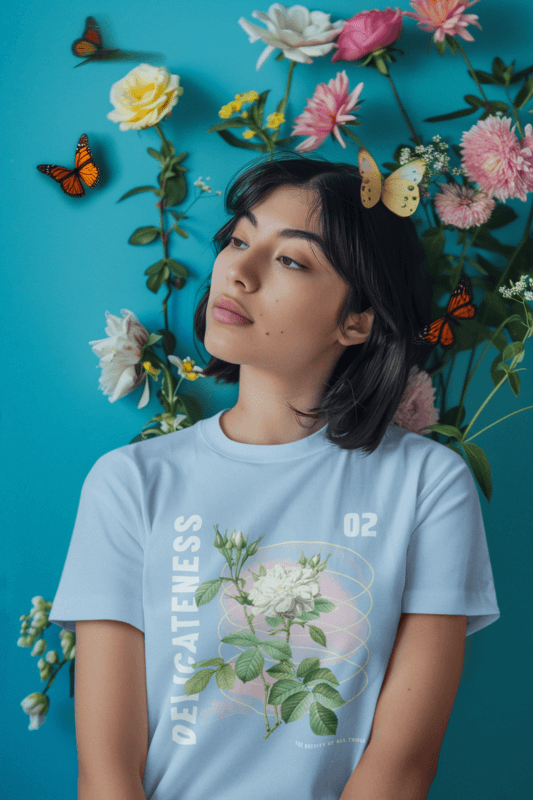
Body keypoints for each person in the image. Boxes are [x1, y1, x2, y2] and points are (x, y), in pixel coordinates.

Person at [49, 154, 500, 800]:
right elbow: (107, 773)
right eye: (238, 239)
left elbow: (400, 768)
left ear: (359, 321)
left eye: (291, 260)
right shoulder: (129, 482)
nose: (239, 269)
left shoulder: (428, 485)